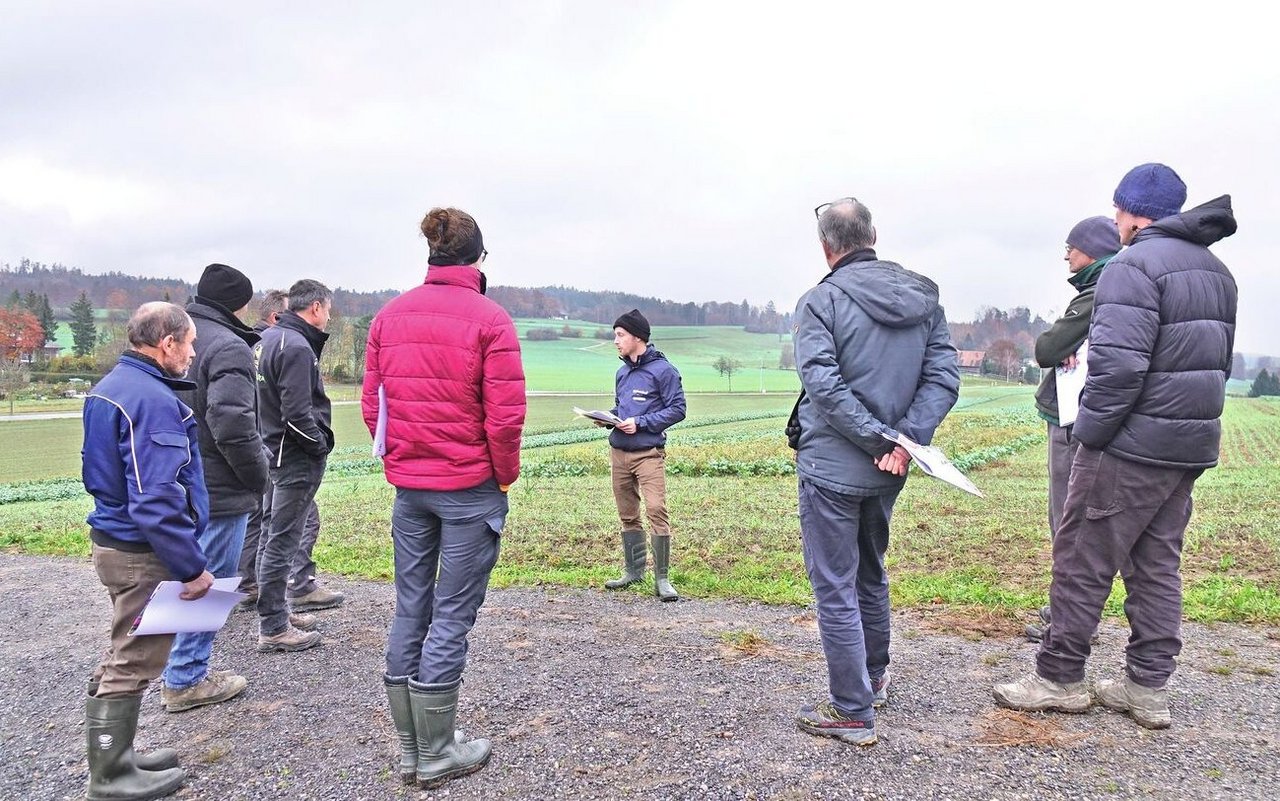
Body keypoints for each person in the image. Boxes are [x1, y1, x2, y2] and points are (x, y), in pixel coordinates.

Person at [994, 164, 1238, 730]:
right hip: (1188, 445)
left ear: (1134, 213)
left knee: (1082, 556)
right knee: (1157, 566)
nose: (1115, 220)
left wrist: (1092, 437)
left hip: (1128, 446)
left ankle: (1058, 677)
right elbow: (1217, 364)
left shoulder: (1132, 267)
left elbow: (1118, 368)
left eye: (1118, 210)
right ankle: (1146, 688)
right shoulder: (1217, 272)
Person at [362, 206, 526, 788]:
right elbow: (505, 419)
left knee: (412, 606)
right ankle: (434, 753)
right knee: (452, 614)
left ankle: (414, 748)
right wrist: (502, 477)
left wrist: (401, 461)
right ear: (480, 258)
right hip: (468, 488)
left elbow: (371, 407)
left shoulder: (389, 316)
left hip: (411, 491)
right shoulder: (491, 320)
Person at [792, 197, 959, 746]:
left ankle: (851, 709)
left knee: (835, 583)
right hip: (891, 468)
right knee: (870, 571)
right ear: (873, 236)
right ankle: (875, 678)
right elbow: (943, 380)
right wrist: (904, 442)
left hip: (832, 467)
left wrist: (879, 438)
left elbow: (823, 385)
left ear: (826, 247)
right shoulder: (924, 300)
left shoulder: (820, 302)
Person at [81, 302, 215, 800]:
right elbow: (156, 495)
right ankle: (110, 775)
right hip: (142, 551)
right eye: (190, 342)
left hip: (114, 540)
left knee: (124, 646)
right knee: (135, 657)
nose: (193, 352)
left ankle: (119, 755)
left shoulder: (111, 386)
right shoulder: (152, 399)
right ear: (167, 344)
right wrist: (190, 566)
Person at [155, 265, 265, 712]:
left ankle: (160, 667)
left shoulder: (179, 338)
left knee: (180, 579)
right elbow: (233, 424)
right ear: (239, 303)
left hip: (176, 482)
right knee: (209, 583)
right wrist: (258, 479)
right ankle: (185, 678)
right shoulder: (230, 347)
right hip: (219, 488)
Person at [1024, 218, 1122, 642]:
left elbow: (1047, 348)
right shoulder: (1115, 287)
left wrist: (1068, 346)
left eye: (1071, 247)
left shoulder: (1096, 293)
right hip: (1089, 419)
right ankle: (1069, 614)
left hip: (1071, 421)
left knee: (1067, 519)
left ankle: (1069, 622)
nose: (1066, 255)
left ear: (1093, 251)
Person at [238, 290, 339, 614]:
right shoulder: (296, 346)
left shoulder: (265, 341)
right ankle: (274, 623)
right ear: (316, 307)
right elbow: (296, 413)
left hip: (270, 450)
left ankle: (276, 611)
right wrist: (318, 446)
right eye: (328, 310)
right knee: (283, 539)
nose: (328, 318)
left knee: (271, 533)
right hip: (293, 456)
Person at [600, 308, 687, 601]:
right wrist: (608, 418)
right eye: (615, 335)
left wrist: (641, 423)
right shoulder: (622, 373)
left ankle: (662, 579)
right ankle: (633, 571)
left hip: (648, 454)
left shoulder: (665, 371)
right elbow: (622, 409)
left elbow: (678, 410)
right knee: (627, 514)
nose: (616, 341)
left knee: (656, 511)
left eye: (620, 335)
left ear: (637, 337)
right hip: (618, 453)